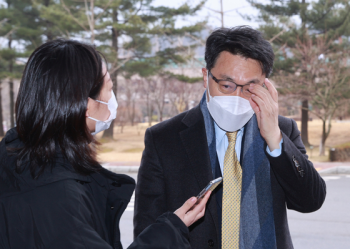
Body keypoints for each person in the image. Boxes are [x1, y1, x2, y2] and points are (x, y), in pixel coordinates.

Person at [0, 39, 211, 249]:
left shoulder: (17, 162)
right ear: (85, 104)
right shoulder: (58, 196)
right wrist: (171, 231)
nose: (113, 99)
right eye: (109, 88)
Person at [134, 26, 326, 249]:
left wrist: (274, 137)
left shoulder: (282, 130)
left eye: (249, 88)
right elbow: (148, 233)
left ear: (265, 85)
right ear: (206, 76)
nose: (237, 96)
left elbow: (310, 201)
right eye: (227, 85)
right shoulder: (164, 139)